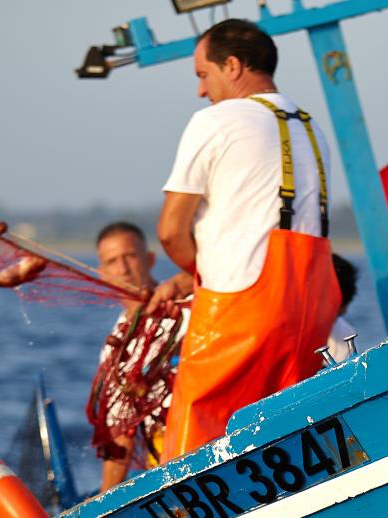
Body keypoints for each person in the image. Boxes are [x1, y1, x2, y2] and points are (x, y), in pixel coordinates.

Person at [143, 18, 342, 460]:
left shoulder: (215, 120)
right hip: (311, 310)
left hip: (238, 309)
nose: (200, 90)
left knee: (194, 446)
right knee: (289, 438)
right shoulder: (310, 126)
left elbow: (170, 231)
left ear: (232, 66)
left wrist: (193, 275)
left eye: (202, 75)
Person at [86, 221, 167, 492]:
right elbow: (119, 432)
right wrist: (102, 501)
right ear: (102, 273)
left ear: (150, 259)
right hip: (165, 467)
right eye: (112, 261)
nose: (123, 269)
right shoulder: (114, 347)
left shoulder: (187, 310)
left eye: (130, 257)